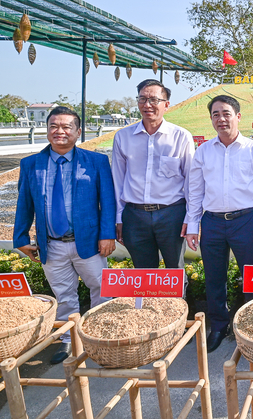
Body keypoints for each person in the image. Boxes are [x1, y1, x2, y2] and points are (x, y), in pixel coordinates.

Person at [14, 107, 115, 364]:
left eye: (67, 127)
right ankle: (70, 341)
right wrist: (21, 238)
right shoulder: (30, 164)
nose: (60, 131)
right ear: (47, 130)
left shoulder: (96, 161)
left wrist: (107, 235)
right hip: (52, 246)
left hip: (89, 243)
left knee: (102, 290)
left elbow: (108, 202)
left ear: (78, 132)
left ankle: (100, 337)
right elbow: (24, 203)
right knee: (64, 295)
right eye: (54, 126)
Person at [184, 95, 253, 353]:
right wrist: (192, 224)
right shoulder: (203, 151)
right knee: (214, 276)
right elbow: (195, 191)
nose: (221, 119)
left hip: (246, 220)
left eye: (226, 113)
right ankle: (219, 325)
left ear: (238, 116)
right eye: (216, 114)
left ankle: (252, 324)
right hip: (212, 222)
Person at [112, 79, 194, 269]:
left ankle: (178, 301)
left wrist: (191, 218)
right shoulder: (123, 137)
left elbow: (191, 182)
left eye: (154, 100)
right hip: (135, 215)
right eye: (142, 99)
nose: (147, 105)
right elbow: (118, 181)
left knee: (175, 272)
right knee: (143, 274)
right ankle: (147, 301)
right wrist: (119, 218)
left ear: (166, 104)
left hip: (171, 213)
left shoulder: (181, 136)